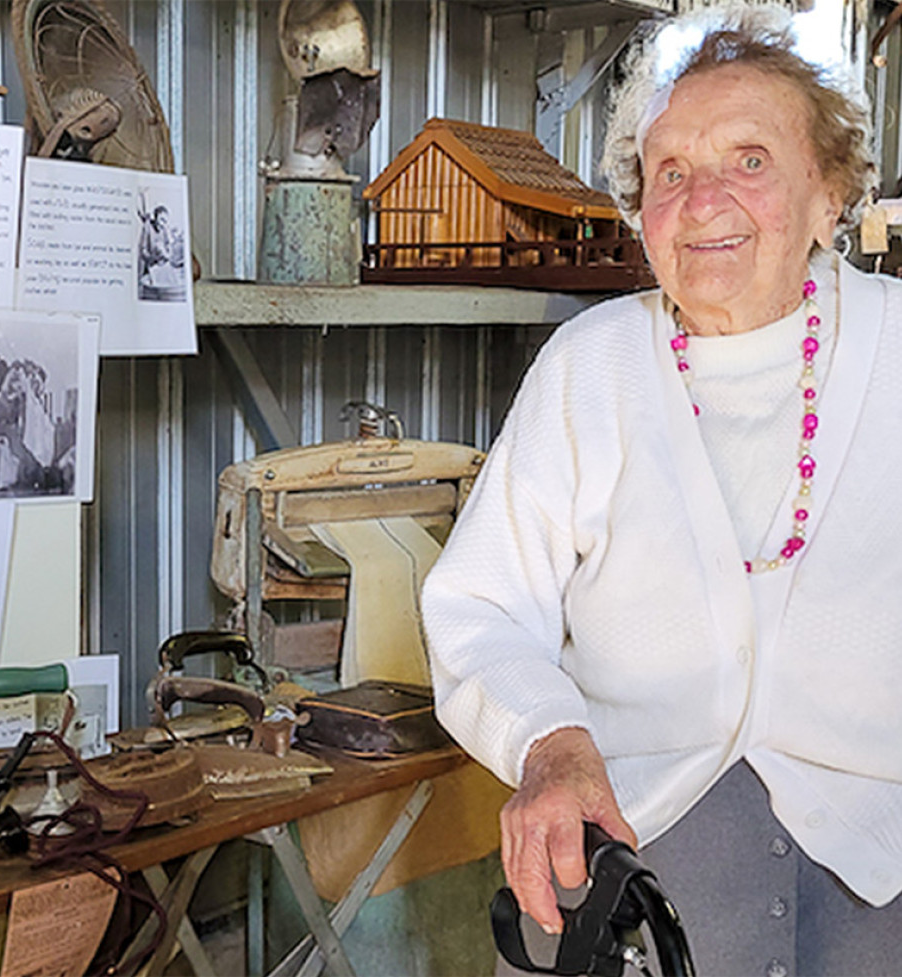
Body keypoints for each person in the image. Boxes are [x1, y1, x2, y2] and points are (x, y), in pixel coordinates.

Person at [422, 5, 902, 975]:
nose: (701, 199)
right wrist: (546, 739)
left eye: (749, 160)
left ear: (829, 193)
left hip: (880, 842)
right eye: (669, 171)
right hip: (637, 831)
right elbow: (479, 602)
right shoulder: (588, 365)